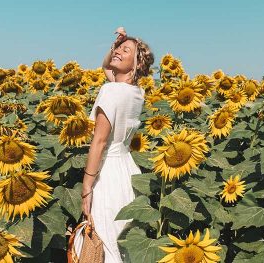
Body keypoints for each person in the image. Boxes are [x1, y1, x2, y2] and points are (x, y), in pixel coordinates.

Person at [81, 27, 154, 263]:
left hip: (108, 175)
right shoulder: (136, 92)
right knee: (122, 243)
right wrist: (117, 47)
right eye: (118, 48)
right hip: (128, 171)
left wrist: (86, 187)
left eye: (126, 50)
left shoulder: (110, 91)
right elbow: (106, 67)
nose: (118, 52)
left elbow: (100, 142)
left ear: (136, 64)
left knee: (105, 245)